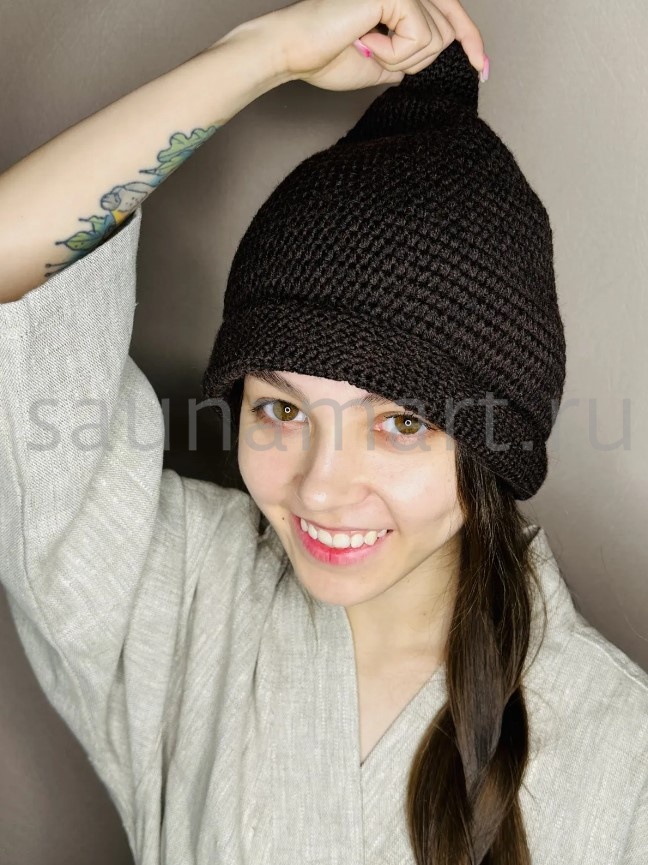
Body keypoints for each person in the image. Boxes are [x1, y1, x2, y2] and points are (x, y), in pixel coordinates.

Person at [0, 1, 646, 864]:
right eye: (281, 409)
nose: (321, 487)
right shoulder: (179, 590)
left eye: (401, 422)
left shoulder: (625, 762)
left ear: (496, 442)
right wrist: (262, 53)